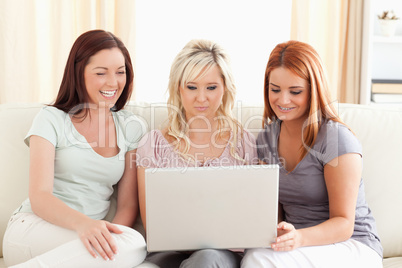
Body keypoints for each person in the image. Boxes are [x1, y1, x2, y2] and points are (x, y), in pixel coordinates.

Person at [3, 29, 147, 267]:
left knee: (135, 244)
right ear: (78, 73)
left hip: (89, 238)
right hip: (33, 229)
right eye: (101, 73)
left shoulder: (132, 127)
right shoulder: (51, 119)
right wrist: (85, 225)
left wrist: (111, 242)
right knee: (132, 247)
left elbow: (128, 205)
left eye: (120, 72)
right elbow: (39, 196)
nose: (113, 82)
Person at [241, 40, 383, 268]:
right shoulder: (266, 139)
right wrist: (279, 232)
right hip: (297, 248)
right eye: (275, 89)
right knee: (255, 254)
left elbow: (344, 224)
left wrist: (299, 238)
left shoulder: (336, 139)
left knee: (258, 260)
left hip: (352, 245)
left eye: (295, 91)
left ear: (314, 90)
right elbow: (273, 212)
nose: (282, 100)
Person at [136, 39, 258, 268]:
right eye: (192, 87)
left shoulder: (243, 142)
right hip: (169, 253)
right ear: (178, 88)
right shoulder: (152, 144)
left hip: (221, 255)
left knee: (206, 258)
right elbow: (153, 226)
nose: (201, 98)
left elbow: (249, 218)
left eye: (211, 88)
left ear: (225, 88)